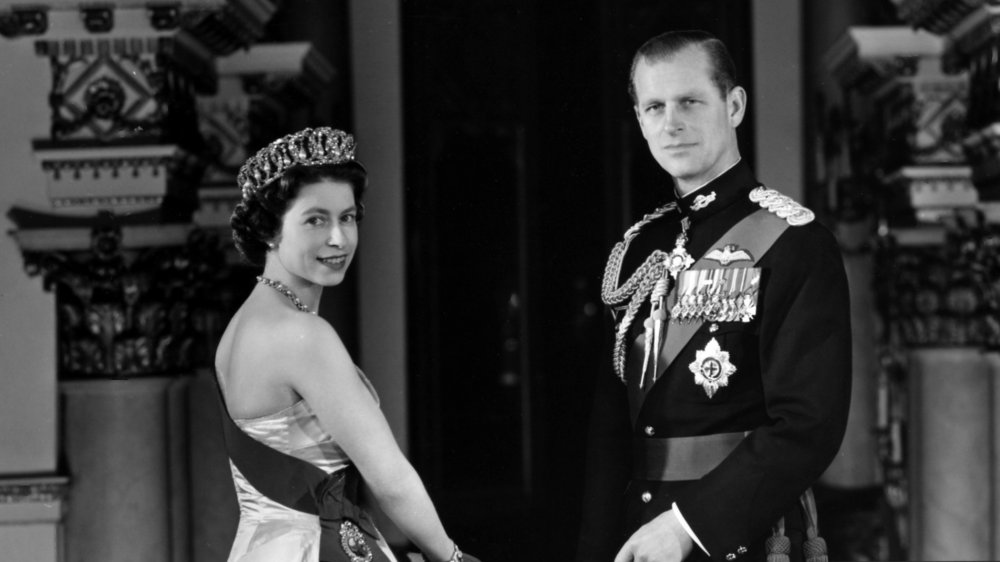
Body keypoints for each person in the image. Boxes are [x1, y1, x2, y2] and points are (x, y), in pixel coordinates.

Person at [577, 31, 852, 562]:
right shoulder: (638, 250)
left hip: (740, 536)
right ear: (639, 119)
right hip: (638, 536)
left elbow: (809, 425)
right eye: (654, 106)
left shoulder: (794, 243)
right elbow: (610, 433)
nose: (671, 123)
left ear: (734, 104)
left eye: (689, 101)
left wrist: (686, 527)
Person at [216, 127, 478, 562]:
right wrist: (451, 558)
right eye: (315, 219)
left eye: (348, 216)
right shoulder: (302, 334)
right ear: (269, 230)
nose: (338, 238)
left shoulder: (240, 328)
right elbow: (389, 478)